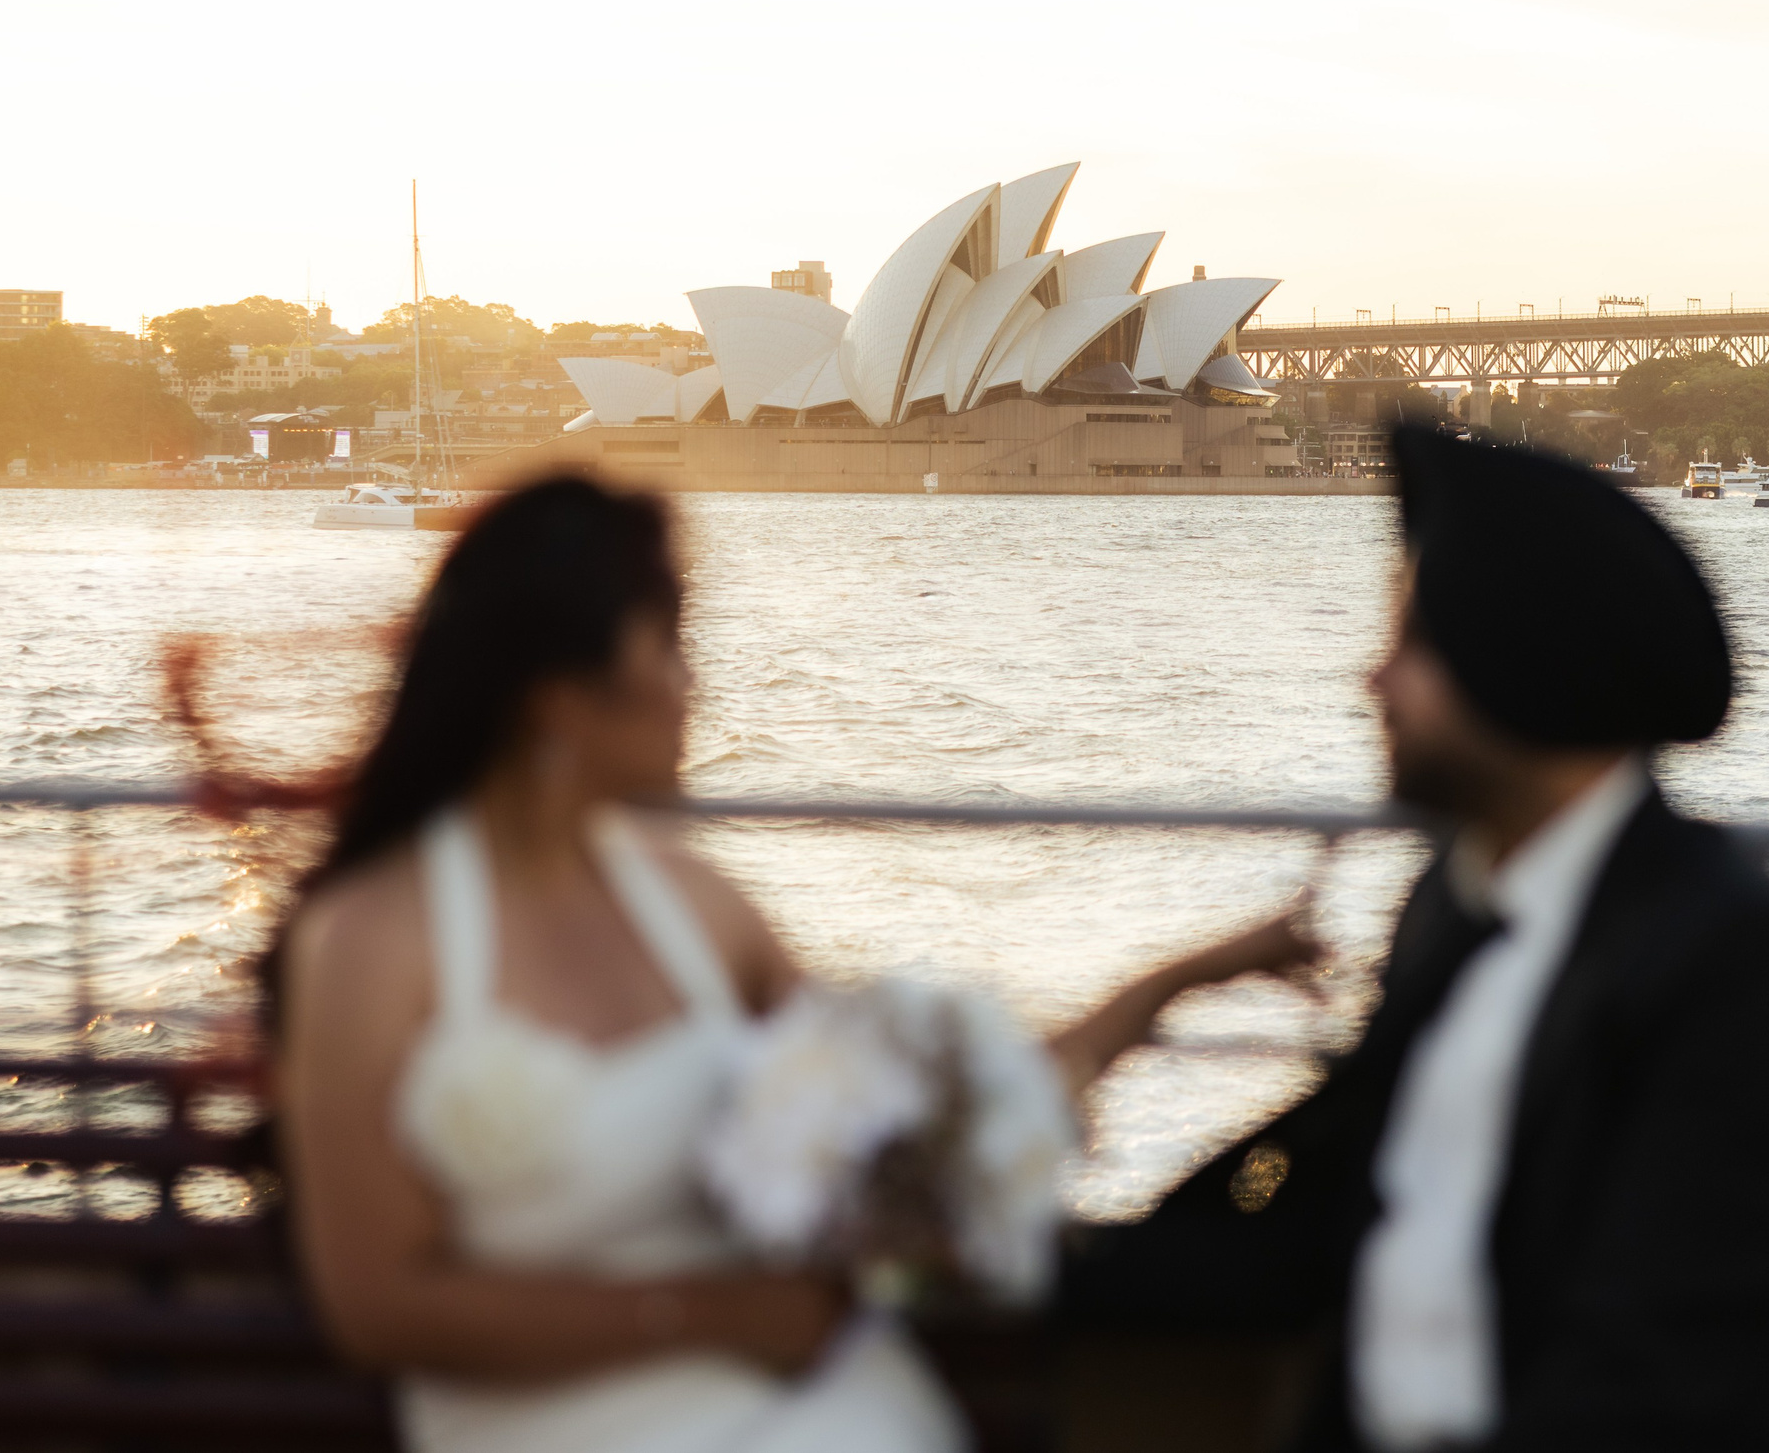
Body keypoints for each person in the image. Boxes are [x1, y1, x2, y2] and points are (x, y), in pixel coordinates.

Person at [273, 474, 1311, 1453]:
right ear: (558, 698)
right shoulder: (375, 939)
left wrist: (1185, 975)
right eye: (669, 646)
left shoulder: (696, 907)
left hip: (804, 1399)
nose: (693, 685)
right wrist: (713, 1312)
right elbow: (376, 1303)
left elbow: (937, 1106)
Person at [1061, 425, 1769, 1450]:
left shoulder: (1735, 962)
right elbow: (1324, 1211)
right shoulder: (1450, 903)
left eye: (1411, 643)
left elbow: (1662, 1364)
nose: (1372, 680)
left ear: (1519, 661)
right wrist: (1019, 1260)